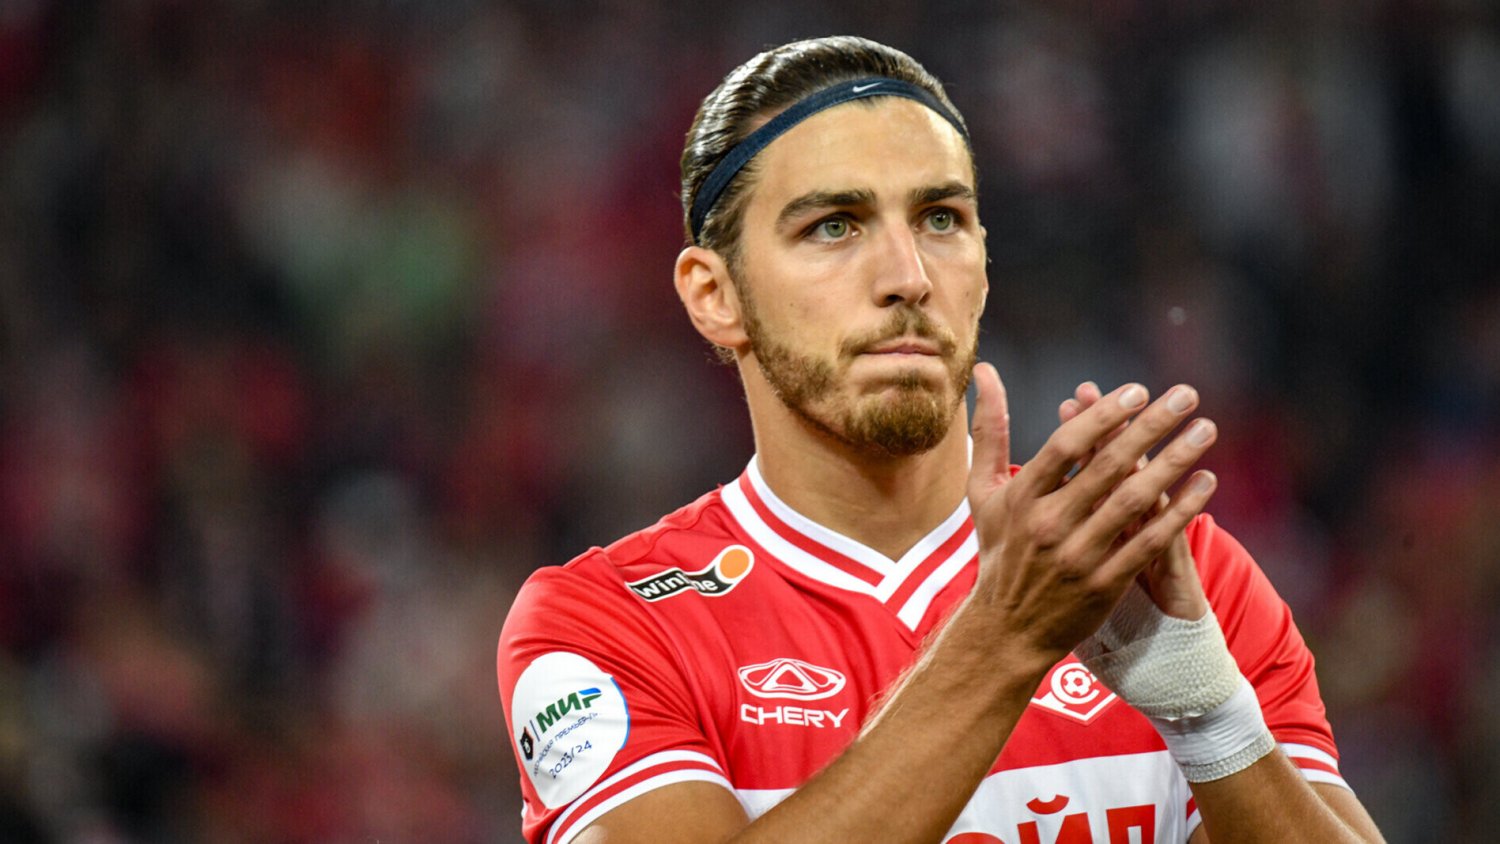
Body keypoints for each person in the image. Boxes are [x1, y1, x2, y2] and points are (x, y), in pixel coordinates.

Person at [497, 35, 1384, 844]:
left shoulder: (1160, 570)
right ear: (714, 295)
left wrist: (1210, 717)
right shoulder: (607, 625)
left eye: (940, 219)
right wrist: (1005, 636)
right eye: (833, 226)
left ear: (985, 266)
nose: (908, 276)